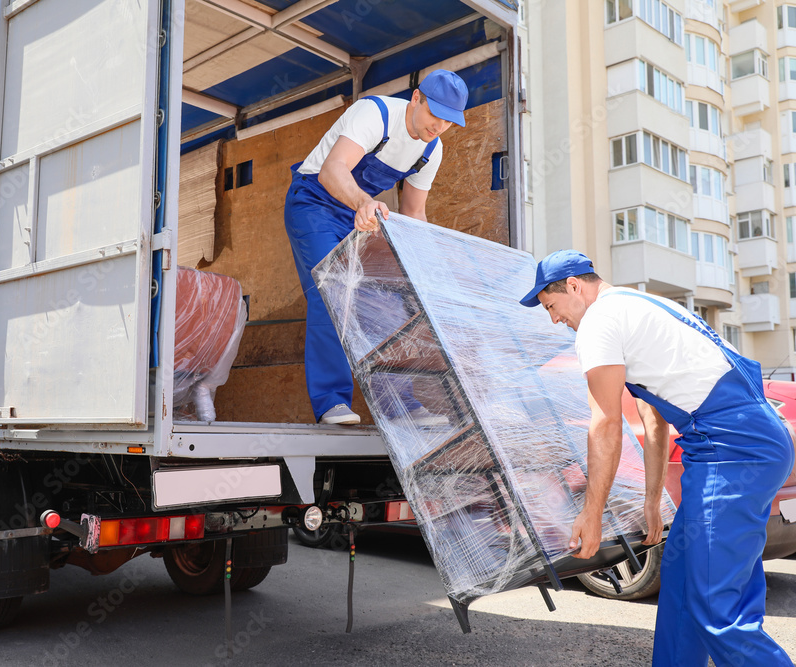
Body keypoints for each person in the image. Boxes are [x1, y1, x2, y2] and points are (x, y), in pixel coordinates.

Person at [520, 249, 795, 667]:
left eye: (552, 306)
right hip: (734, 444)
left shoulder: (598, 322)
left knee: (718, 611)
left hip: (732, 449)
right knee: (683, 590)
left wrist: (592, 514)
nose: (554, 319)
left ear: (574, 286)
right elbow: (653, 420)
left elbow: (606, 424)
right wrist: (652, 502)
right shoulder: (639, 305)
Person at [284, 69, 469, 425]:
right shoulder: (375, 114)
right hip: (315, 205)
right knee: (332, 292)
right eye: (436, 114)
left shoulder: (433, 148)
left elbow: (414, 212)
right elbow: (332, 170)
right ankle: (330, 403)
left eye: (449, 121)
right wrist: (363, 203)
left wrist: (427, 266)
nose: (439, 126)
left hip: (361, 216)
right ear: (417, 98)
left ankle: (399, 407)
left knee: (386, 305)